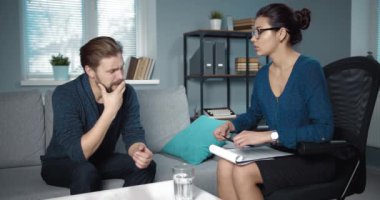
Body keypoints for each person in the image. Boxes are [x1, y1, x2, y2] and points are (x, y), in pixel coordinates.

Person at [213, 3, 335, 200]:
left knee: (243, 172)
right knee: (224, 165)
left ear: (281, 34)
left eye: (259, 32)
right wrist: (231, 124)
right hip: (280, 153)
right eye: (254, 32)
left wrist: (270, 135)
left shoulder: (308, 69)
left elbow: (324, 129)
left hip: (312, 158)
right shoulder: (262, 75)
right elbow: (254, 114)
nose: (253, 38)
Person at [41, 36, 156, 195]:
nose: (121, 76)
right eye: (112, 71)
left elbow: (133, 133)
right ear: (90, 71)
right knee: (85, 172)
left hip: (99, 160)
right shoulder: (65, 94)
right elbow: (78, 154)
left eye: (121, 68)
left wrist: (139, 151)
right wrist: (110, 111)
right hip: (62, 162)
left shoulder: (127, 92)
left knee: (146, 165)